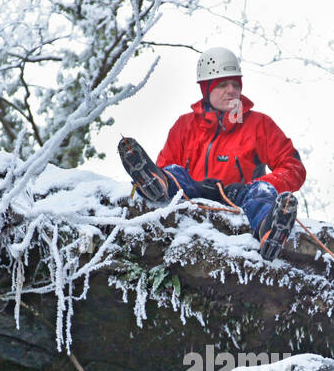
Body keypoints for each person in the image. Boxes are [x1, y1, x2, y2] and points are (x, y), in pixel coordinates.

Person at [118, 46, 306, 261]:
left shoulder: (259, 124)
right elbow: (168, 163)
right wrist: (170, 177)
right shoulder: (184, 125)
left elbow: (294, 168)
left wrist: (260, 184)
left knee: (262, 192)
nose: (231, 90)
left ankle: (270, 229)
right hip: (193, 194)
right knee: (173, 172)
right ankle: (153, 184)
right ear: (206, 89)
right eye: (222, 85)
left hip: (242, 198)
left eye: (236, 84)